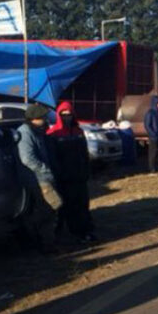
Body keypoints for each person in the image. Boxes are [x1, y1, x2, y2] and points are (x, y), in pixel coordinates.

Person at [47, 101, 96, 242]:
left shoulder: (78, 132)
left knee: (82, 204)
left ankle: (84, 230)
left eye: (69, 114)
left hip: (80, 175)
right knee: (66, 205)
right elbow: (53, 156)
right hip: (64, 177)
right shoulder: (54, 133)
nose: (66, 117)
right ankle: (63, 232)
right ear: (58, 115)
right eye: (63, 115)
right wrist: (58, 173)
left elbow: (84, 153)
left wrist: (87, 170)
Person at [17, 103, 63, 251]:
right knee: (52, 206)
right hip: (37, 179)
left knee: (48, 209)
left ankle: (45, 241)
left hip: (43, 178)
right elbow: (27, 159)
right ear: (34, 119)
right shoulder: (25, 133)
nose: (45, 120)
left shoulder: (37, 132)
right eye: (43, 118)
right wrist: (45, 170)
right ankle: (42, 241)